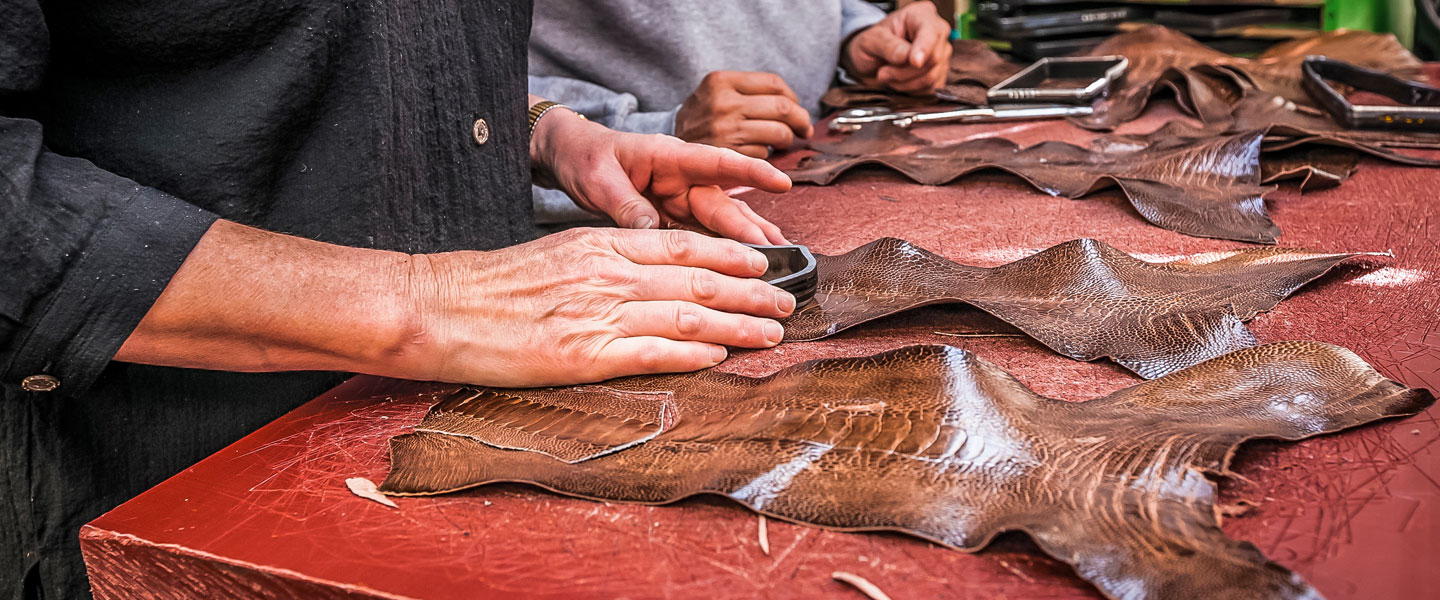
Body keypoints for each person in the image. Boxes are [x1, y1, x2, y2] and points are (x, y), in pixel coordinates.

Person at [0, 1, 800, 596]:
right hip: (186, 493)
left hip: (491, 451)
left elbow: (345, 55)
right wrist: (426, 301)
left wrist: (549, 132)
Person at [528, 0, 954, 222]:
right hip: (628, 218)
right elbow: (469, 82)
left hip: (833, 154)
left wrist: (854, 31)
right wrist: (654, 130)